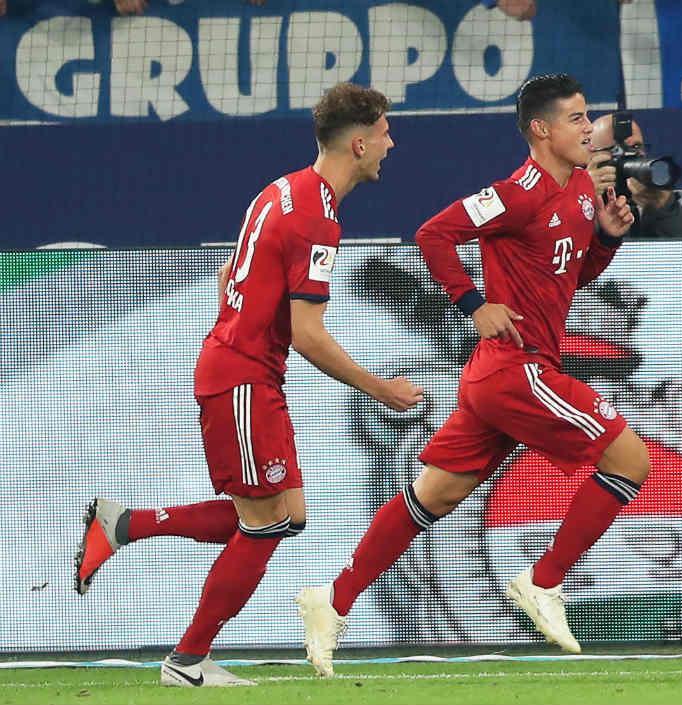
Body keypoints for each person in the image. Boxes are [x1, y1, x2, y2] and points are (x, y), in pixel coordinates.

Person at [73, 82, 423, 688]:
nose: (392, 144)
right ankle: (187, 660)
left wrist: (242, 337)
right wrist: (380, 389)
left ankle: (124, 525)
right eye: (386, 133)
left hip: (243, 372)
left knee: (288, 515)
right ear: (359, 142)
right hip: (243, 379)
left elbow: (224, 274)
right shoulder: (317, 218)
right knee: (264, 524)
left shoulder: (281, 190)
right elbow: (308, 333)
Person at [295, 73, 640, 677]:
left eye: (589, 117)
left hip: (503, 374)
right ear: (541, 130)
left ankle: (335, 598)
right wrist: (473, 303)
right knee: (631, 463)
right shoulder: (516, 194)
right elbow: (434, 234)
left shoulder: (583, 191)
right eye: (577, 119)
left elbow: (566, 279)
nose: (589, 129)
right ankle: (543, 578)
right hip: (517, 368)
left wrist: (606, 244)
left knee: (437, 493)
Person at [587, 114, 682, 239]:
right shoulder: (575, 201)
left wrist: (665, 207)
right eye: (615, 150)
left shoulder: (679, 202)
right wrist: (586, 196)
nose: (629, 155)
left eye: (636, 147)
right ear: (590, 157)